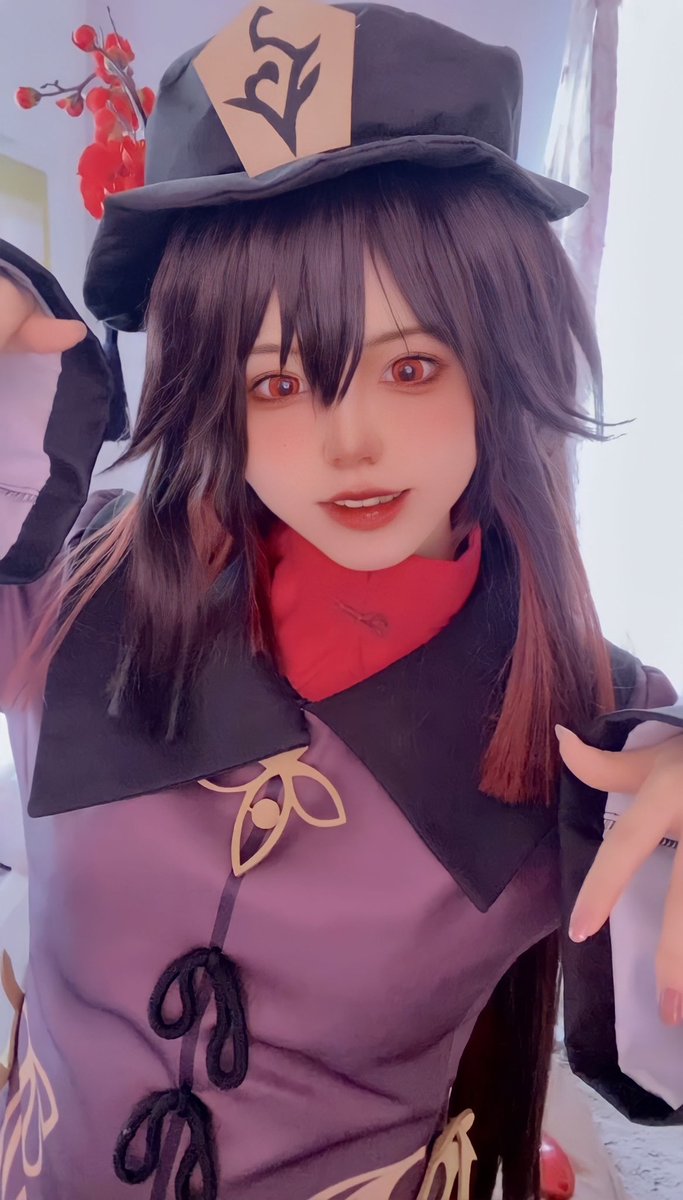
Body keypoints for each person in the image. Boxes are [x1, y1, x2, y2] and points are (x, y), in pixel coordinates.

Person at [0, 3, 681, 1198]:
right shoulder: (64, 576)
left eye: (410, 367)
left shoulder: (605, 736)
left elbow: (659, 1057)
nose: (347, 443)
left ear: (500, 363)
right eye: (274, 383)